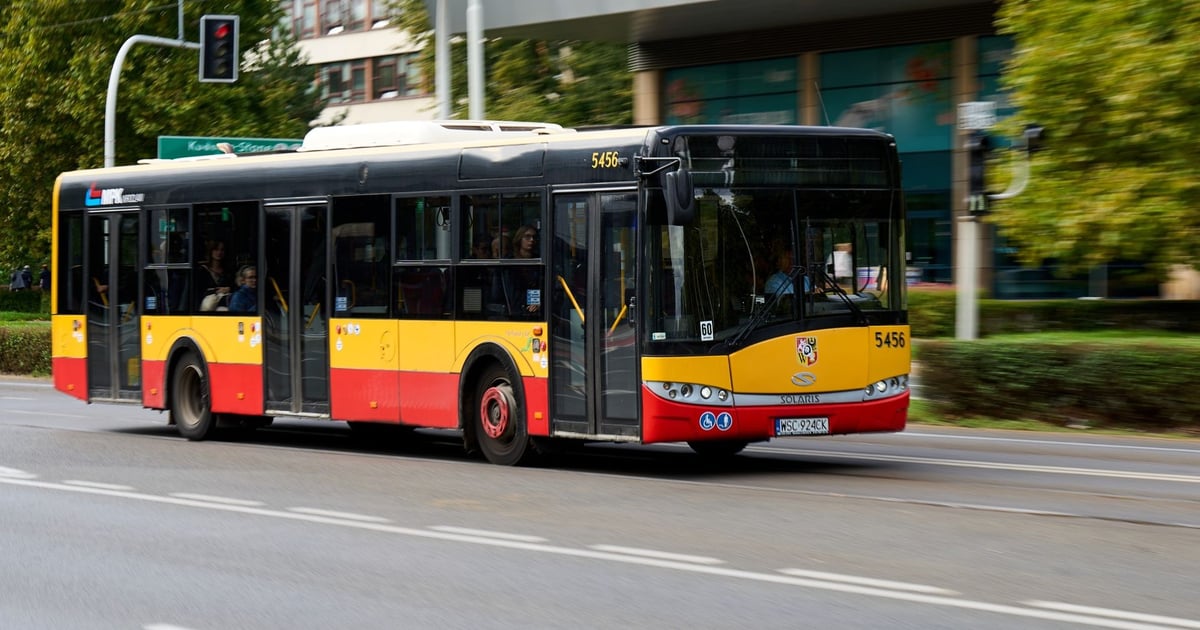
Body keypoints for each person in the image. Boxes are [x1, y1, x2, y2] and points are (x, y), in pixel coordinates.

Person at [198, 239, 233, 310]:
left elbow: (234, 286)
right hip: (208, 306)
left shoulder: (229, 270)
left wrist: (229, 289)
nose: (219, 252)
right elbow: (199, 291)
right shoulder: (202, 270)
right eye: (216, 249)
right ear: (211, 251)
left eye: (222, 250)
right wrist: (216, 291)